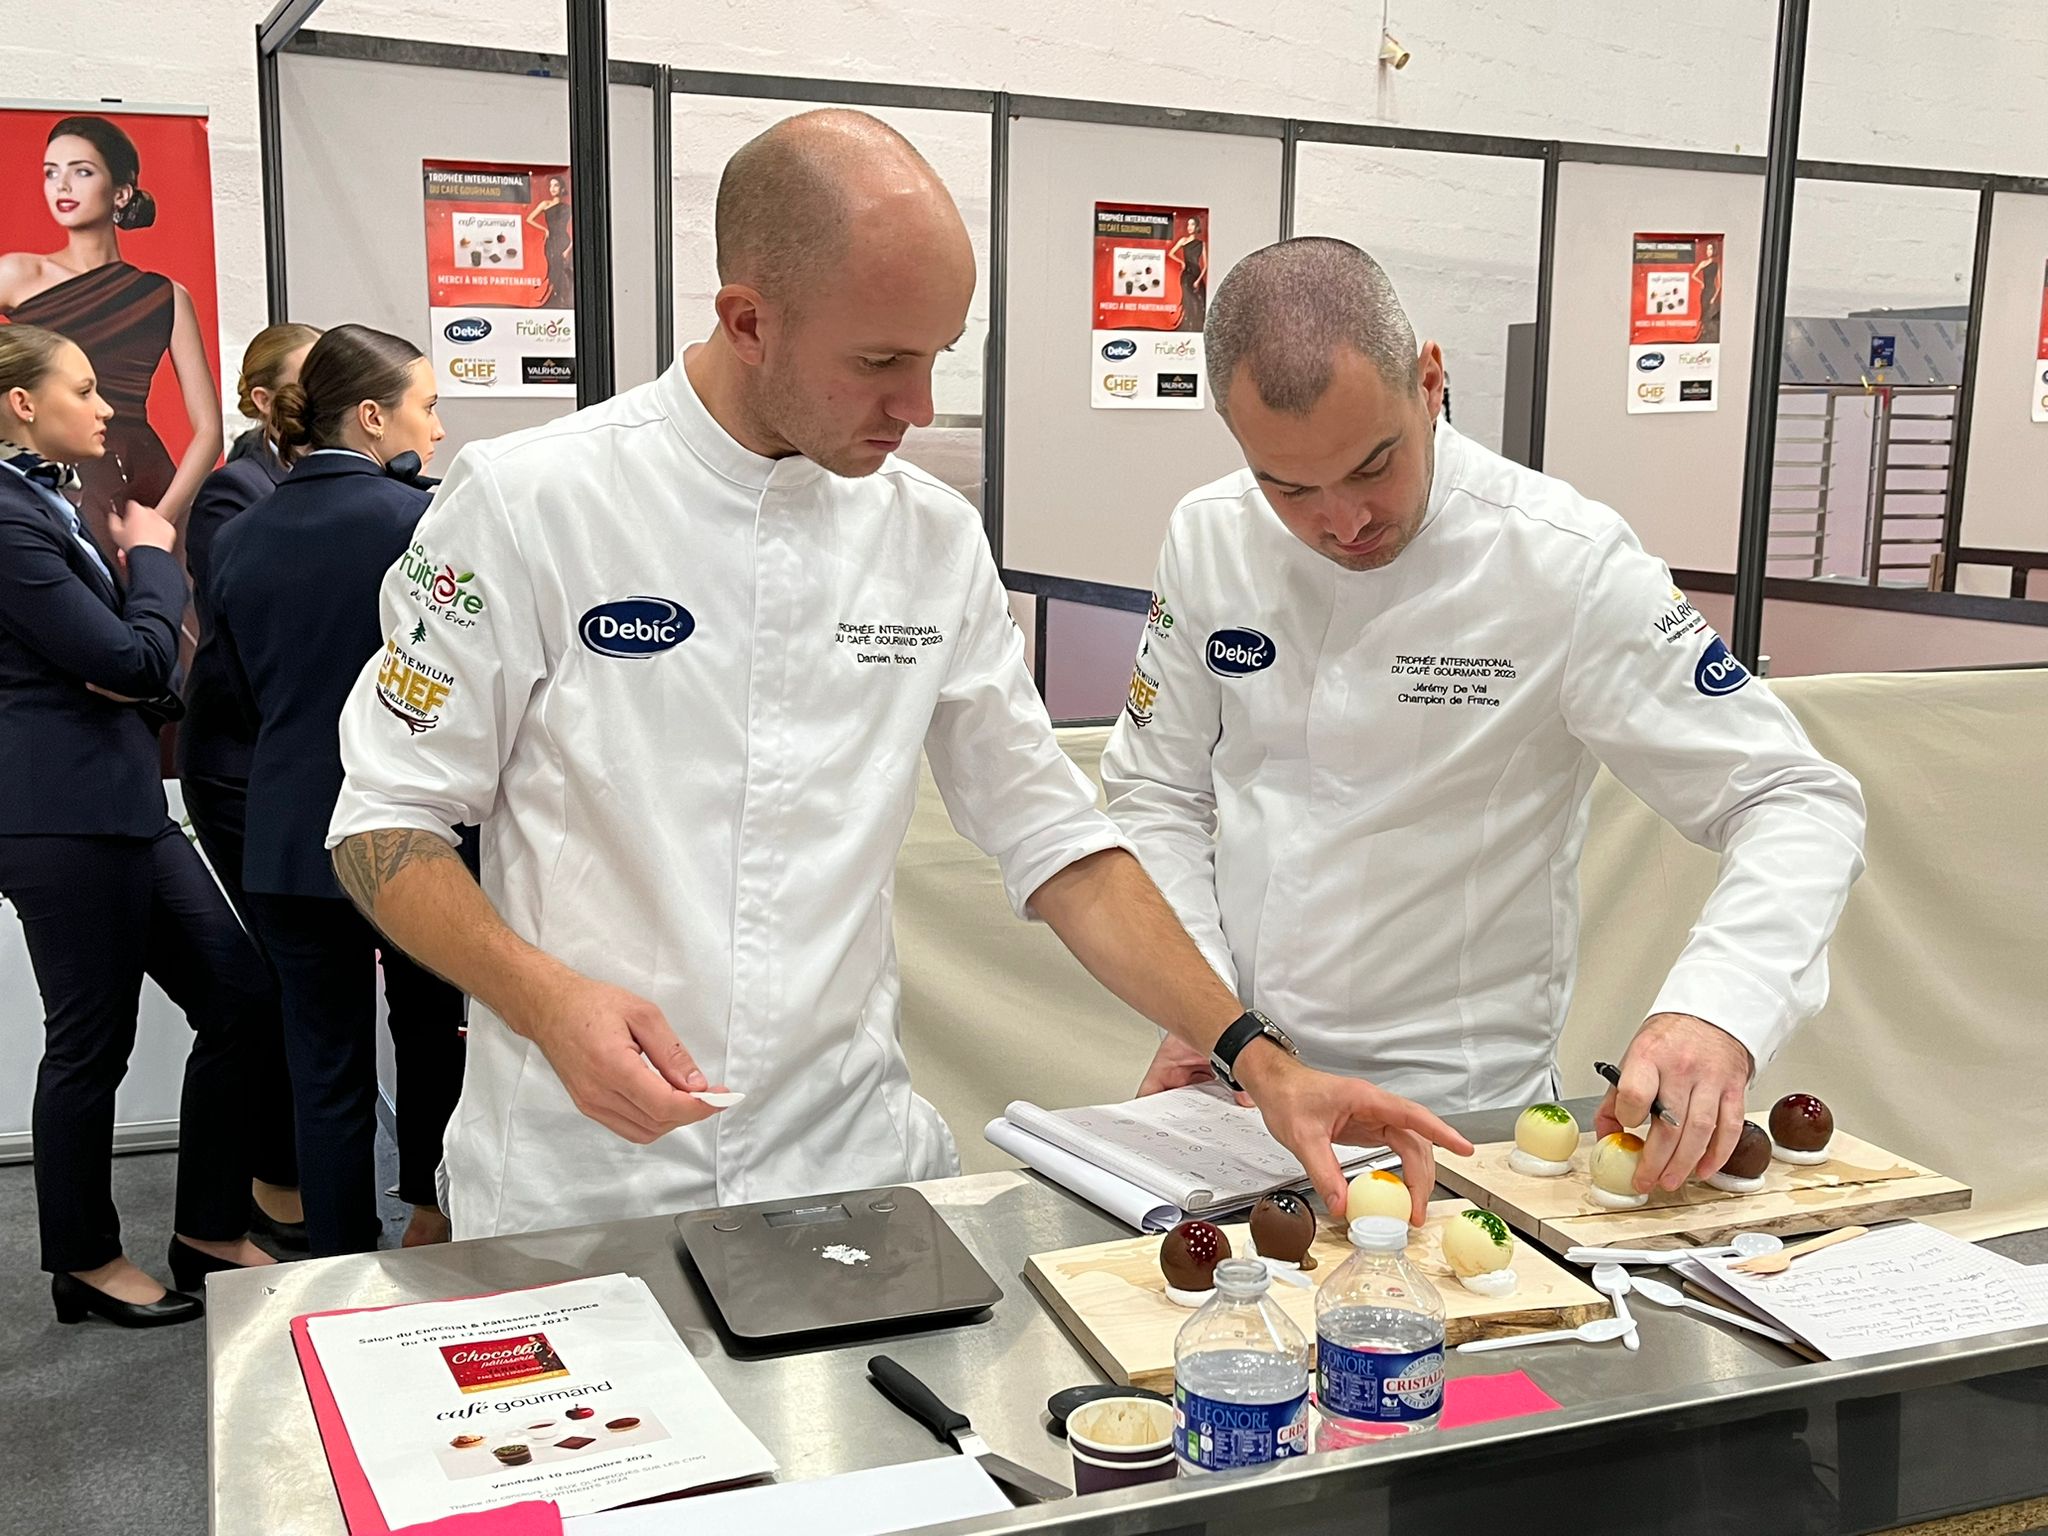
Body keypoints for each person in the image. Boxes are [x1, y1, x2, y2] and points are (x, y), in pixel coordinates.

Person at [324, 111, 1469, 1242]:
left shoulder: (926, 538)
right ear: (747, 320)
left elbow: (1057, 843)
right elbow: (383, 826)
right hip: (582, 1180)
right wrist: (541, 998)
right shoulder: (531, 503)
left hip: (854, 1169)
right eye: (878, 362)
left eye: (933, 358)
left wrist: (1256, 1058)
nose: (917, 408)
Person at [1101, 238, 1867, 1196]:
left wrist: (1717, 1011)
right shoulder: (1208, 536)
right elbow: (1155, 791)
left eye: (1373, 465)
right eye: (1289, 487)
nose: (1342, 522)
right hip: (1243, 1097)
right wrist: (1203, 1009)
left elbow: (1796, 797)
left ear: (1430, 382)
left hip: (1463, 1119)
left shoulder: (1563, 564)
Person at [0, 325, 274, 1327]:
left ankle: (205, 1231)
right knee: (90, 1046)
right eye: (82, 387)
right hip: (61, 816)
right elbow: (138, 661)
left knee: (241, 996)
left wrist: (127, 653)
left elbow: (123, 664)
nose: (107, 404)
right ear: (23, 402)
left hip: (119, 801)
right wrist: (156, 563)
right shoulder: (9, 518)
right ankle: (83, 1262)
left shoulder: (46, 499)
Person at [210, 325, 466, 1257]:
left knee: (323, 1069)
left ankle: (342, 1266)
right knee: (433, 1036)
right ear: (371, 416)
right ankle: (436, 1225)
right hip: (410, 834)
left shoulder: (237, 537)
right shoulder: (422, 526)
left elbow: (231, 700)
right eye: (426, 406)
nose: (435, 430)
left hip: (285, 839)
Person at [180, 321, 324, 1251]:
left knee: (294, 984)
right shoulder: (237, 491)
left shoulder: (314, 484)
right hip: (239, 771)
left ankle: (289, 1175)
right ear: (266, 399)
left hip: (291, 764)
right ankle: (273, 1182)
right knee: (274, 982)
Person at [0, 116, 222, 541]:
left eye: (81, 171)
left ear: (121, 192)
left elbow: (209, 429)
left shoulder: (166, 295)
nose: (61, 185)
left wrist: (163, 516)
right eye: (51, 173)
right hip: (53, 472)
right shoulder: (17, 273)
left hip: (145, 480)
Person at [527, 175, 572, 306]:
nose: (552, 188)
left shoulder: (567, 208)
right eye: (550, 185)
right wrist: (544, 230)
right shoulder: (545, 204)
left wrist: (569, 249)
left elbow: (576, 228)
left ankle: (561, 299)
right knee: (552, 268)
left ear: (562, 188)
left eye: (556, 185)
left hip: (564, 241)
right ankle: (551, 298)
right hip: (551, 241)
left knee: (563, 269)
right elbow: (529, 218)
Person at [1168, 214, 1207, 333]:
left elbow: (1205, 265)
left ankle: (1196, 329)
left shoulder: (1201, 244)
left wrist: (1198, 280)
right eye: (1188, 224)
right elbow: (1171, 253)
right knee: (1188, 302)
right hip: (1186, 276)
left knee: (1200, 303)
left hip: (1197, 275)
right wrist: (1181, 262)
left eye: (1192, 224)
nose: (1189, 227)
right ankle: (1187, 328)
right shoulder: (1183, 241)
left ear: (1197, 226)